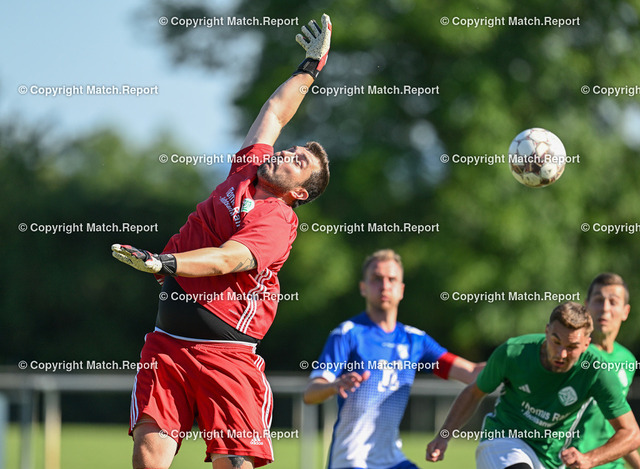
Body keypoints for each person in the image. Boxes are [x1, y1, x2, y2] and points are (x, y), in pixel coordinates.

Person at [111, 14, 332, 469]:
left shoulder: (277, 220)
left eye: (298, 162)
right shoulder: (248, 168)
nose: (286, 153)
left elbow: (227, 260)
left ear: (299, 193)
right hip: (167, 345)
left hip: (226, 357)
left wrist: (166, 264)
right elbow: (275, 112)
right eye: (292, 150)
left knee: (233, 463)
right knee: (148, 453)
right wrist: (310, 67)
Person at [304, 249, 484, 469]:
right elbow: (310, 393)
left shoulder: (415, 340)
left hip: (392, 460)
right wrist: (334, 385)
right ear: (363, 287)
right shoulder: (348, 334)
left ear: (401, 289)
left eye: (392, 279)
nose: (385, 285)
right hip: (351, 459)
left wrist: (515, 356)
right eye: (376, 278)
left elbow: (472, 373)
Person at [426, 301, 640, 469]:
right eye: (556, 341)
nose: (561, 354)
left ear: (586, 344)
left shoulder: (597, 371)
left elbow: (631, 433)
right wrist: (444, 436)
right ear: (546, 331)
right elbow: (474, 392)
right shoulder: (514, 353)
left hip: (549, 459)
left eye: (572, 347)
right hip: (503, 441)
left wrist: (589, 459)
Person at [572, 273, 640, 468]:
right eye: (598, 300)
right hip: (574, 462)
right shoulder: (573, 353)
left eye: (613, 302)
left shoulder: (627, 359)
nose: (605, 308)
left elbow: (621, 427)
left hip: (612, 464)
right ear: (586, 306)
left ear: (625, 311)